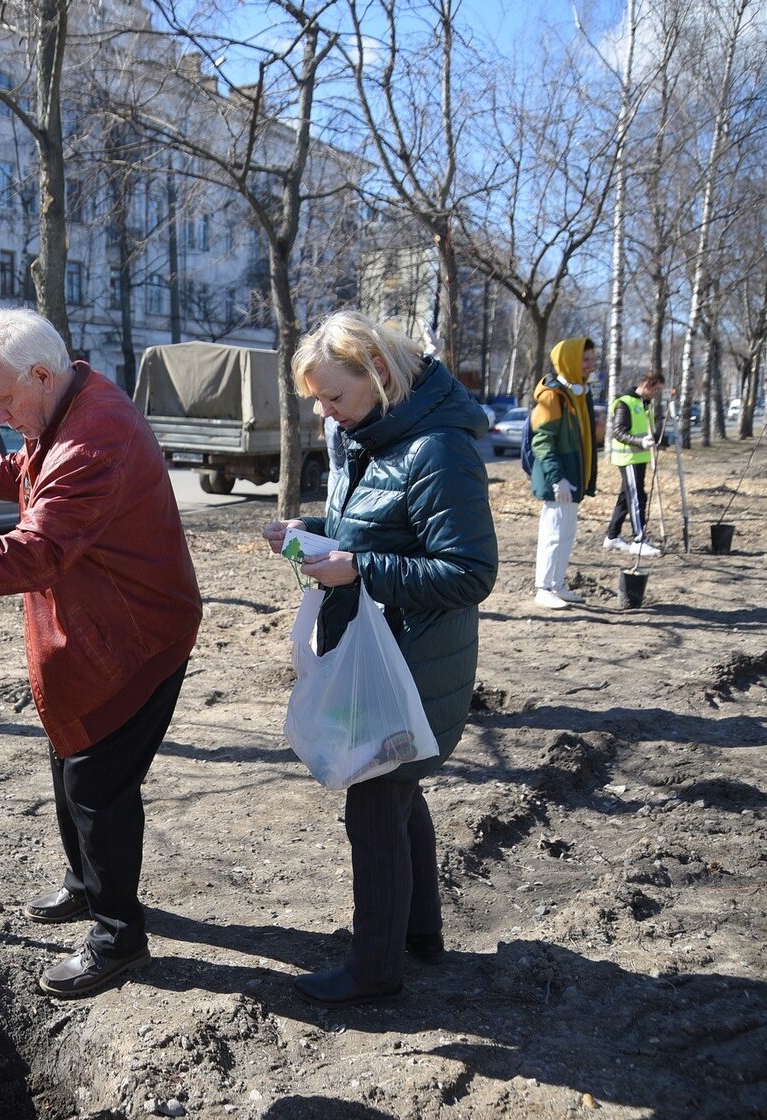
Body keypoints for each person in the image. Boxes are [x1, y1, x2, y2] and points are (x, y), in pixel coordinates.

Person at [0, 307, 201, 999]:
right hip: (89, 630)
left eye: (1, 397)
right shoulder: (65, 410)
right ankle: (86, 883)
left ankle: (119, 935)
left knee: (97, 787)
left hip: (132, 639)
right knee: (69, 761)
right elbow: (25, 474)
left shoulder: (95, 435)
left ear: (42, 375)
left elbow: (37, 548)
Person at [261, 310, 497, 1008]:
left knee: (375, 801)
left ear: (381, 376)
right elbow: (382, 527)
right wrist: (317, 534)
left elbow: (468, 572)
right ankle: (419, 936)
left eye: (333, 396)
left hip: (414, 664)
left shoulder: (437, 448)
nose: (325, 413)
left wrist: (357, 565)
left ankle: (374, 973)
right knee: (398, 793)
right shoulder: (378, 435)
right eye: (317, 401)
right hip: (393, 655)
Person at [528, 337, 599, 609]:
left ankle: (557, 585)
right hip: (558, 478)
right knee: (553, 532)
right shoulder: (552, 395)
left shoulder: (579, 393)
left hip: (572, 477)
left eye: (592, 359)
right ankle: (543, 587)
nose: (590, 365)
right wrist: (558, 477)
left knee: (566, 533)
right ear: (569, 360)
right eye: (585, 359)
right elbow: (542, 440)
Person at [602, 371, 667, 556]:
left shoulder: (645, 404)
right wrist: (640, 442)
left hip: (639, 458)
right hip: (628, 458)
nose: (657, 394)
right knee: (637, 497)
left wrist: (664, 440)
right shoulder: (626, 402)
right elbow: (618, 431)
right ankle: (639, 539)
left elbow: (648, 431)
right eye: (656, 389)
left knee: (625, 498)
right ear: (647, 385)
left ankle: (612, 537)